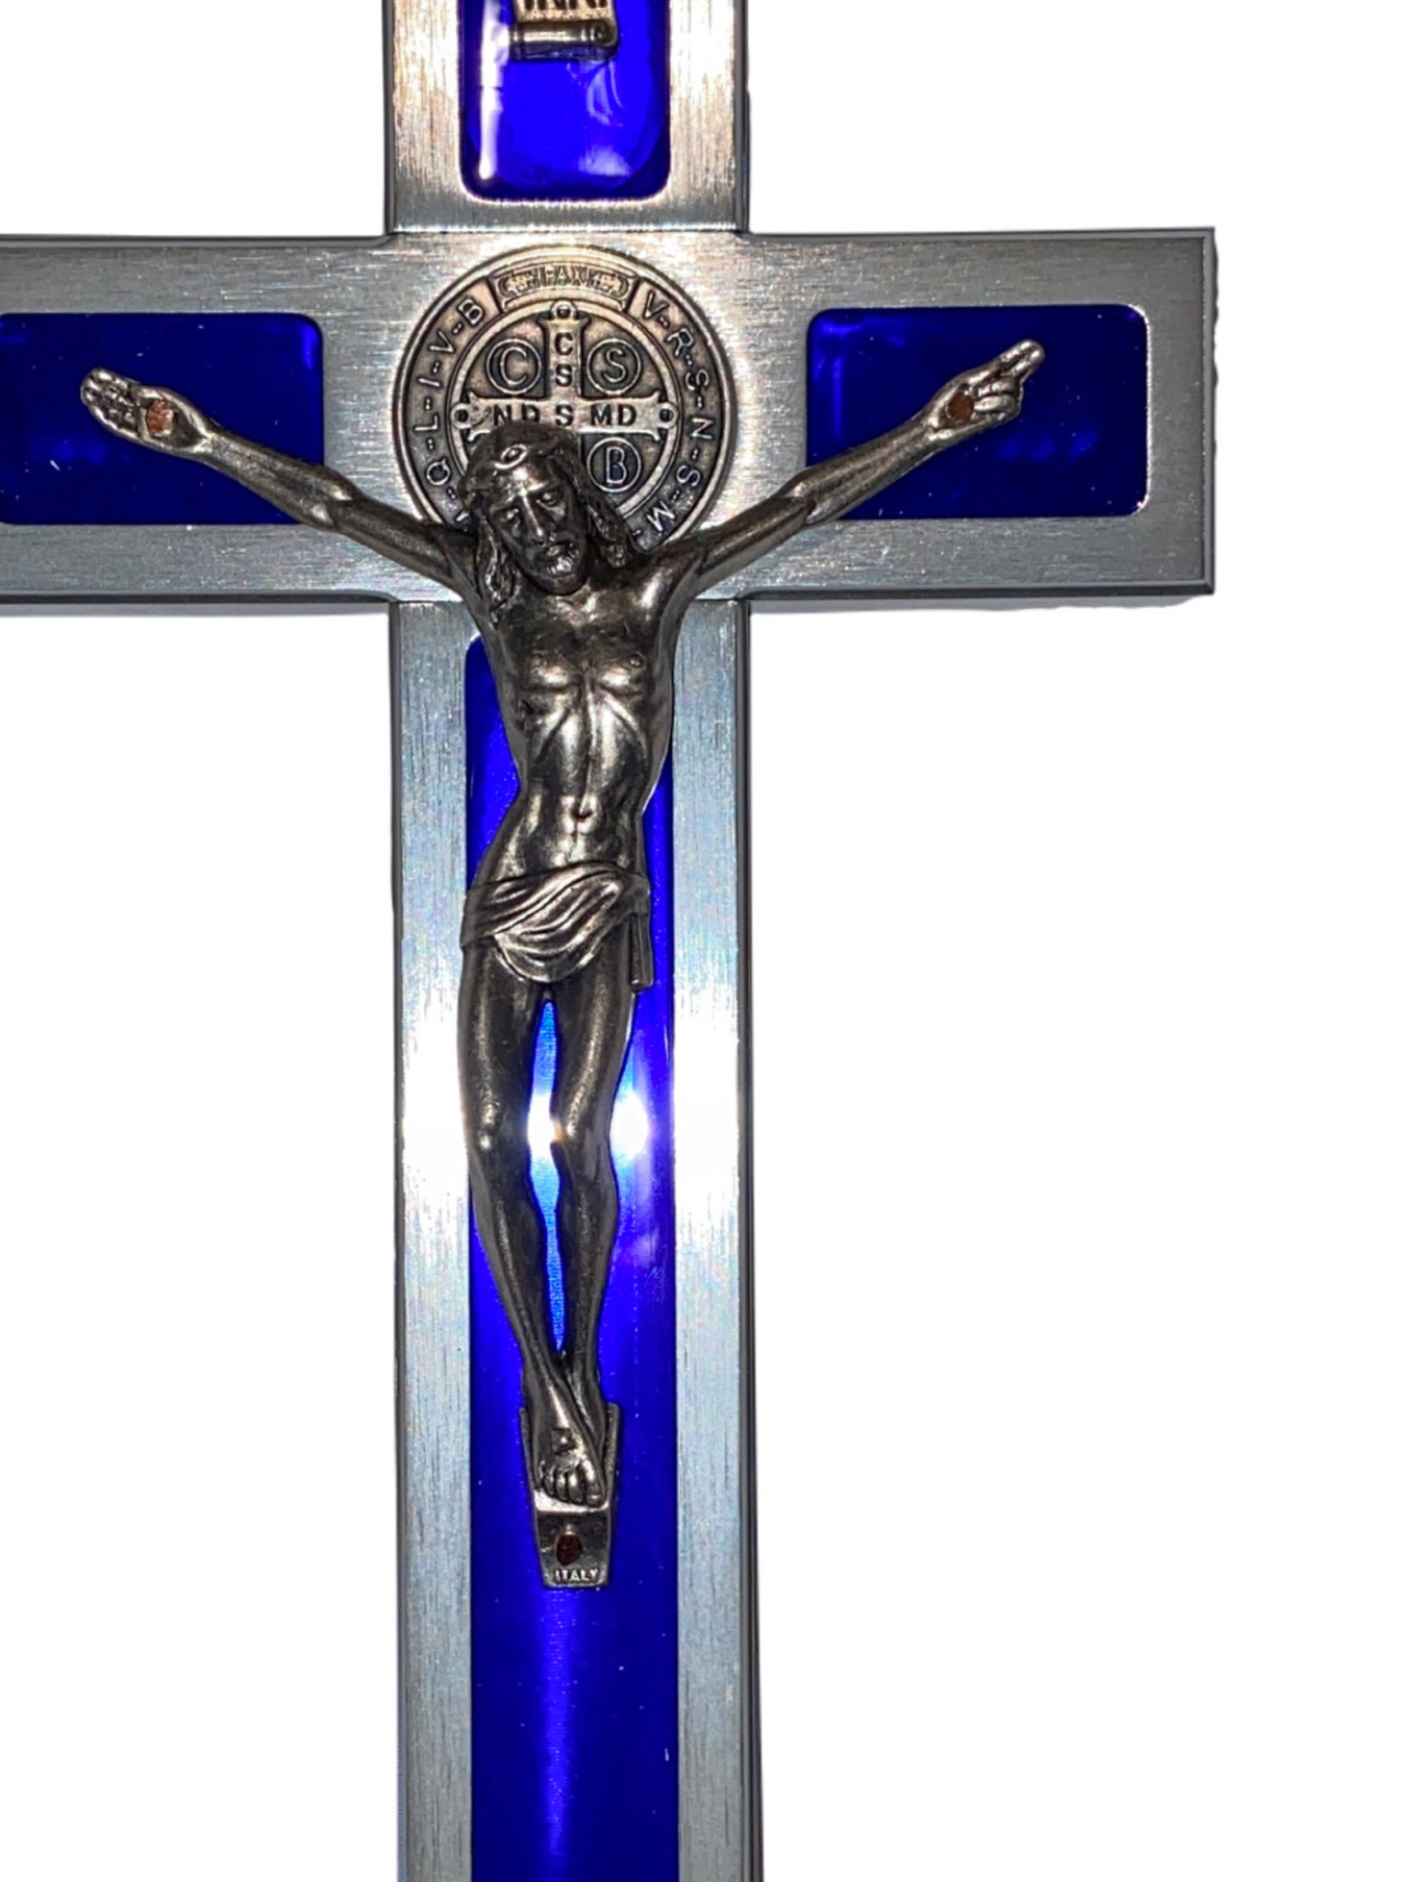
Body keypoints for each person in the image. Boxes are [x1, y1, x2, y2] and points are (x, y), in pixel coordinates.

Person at [81, 340, 1039, 1551]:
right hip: (513, 889)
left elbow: (803, 502)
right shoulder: (500, 602)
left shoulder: (653, 591)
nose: (533, 528)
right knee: (488, 1136)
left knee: (578, 1134)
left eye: (544, 500)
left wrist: (938, 425)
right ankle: (546, 1383)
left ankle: (579, 1356)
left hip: (606, 891)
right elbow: (334, 505)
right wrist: (203, 439)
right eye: (508, 515)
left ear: (578, 497)